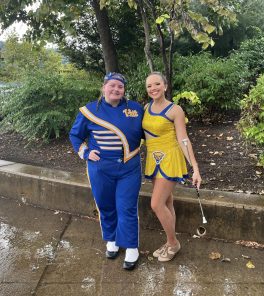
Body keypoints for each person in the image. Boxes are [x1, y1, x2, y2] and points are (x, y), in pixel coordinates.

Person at [69, 72, 144, 270]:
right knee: (105, 205)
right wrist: (85, 152)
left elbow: (152, 130)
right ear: (104, 87)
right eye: (112, 86)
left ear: (124, 90)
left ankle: (131, 246)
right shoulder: (89, 110)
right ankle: (111, 239)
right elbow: (75, 135)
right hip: (100, 168)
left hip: (129, 167)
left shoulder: (136, 109)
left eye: (120, 87)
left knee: (126, 207)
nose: (116, 89)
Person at [142, 72, 202, 262]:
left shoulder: (175, 110)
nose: (153, 88)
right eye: (149, 86)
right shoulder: (146, 107)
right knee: (167, 202)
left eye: (157, 84)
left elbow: (183, 139)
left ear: (165, 86)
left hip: (170, 159)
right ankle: (169, 243)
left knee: (156, 204)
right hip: (153, 159)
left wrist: (195, 168)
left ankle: (173, 243)